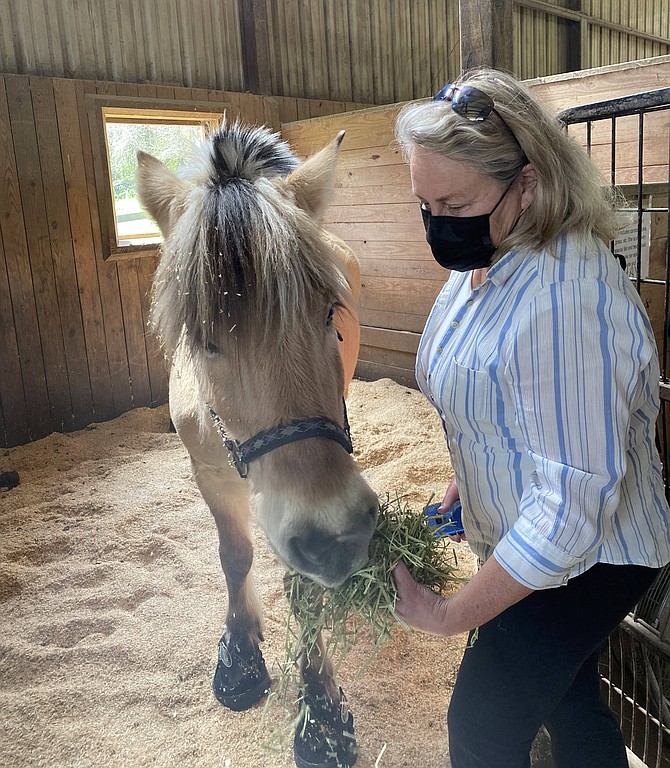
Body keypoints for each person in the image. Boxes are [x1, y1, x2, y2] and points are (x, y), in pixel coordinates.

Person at [392, 69, 670, 768]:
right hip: (529, 532)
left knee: (481, 728)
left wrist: (450, 614)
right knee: (567, 698)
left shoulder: (565, 297)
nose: (436, 224)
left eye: (453, 202)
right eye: (422, 203)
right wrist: (470, 477)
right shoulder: (484, 262)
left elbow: (573, 507)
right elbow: (489, 398)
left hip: (590, 554)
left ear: (528, 184)